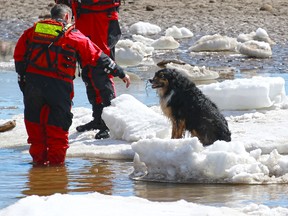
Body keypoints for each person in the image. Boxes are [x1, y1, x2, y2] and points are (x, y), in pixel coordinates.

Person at [13, 4, 130, 166]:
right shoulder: (72, 34)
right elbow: (96, 55)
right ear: (67, 17)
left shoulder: (33, 30)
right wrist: (119, 72)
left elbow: (18, 55)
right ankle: (56, 171)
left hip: (33, 86)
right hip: (58, 88)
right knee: (58, 132)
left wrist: (22, 79)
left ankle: (38, 168)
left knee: (35, 130)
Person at [55, 0, 122, 139]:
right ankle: (98, 118)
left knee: (101, 70)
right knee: (87, 70)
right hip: (85, 18)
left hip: (100, 19)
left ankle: (108, 123)